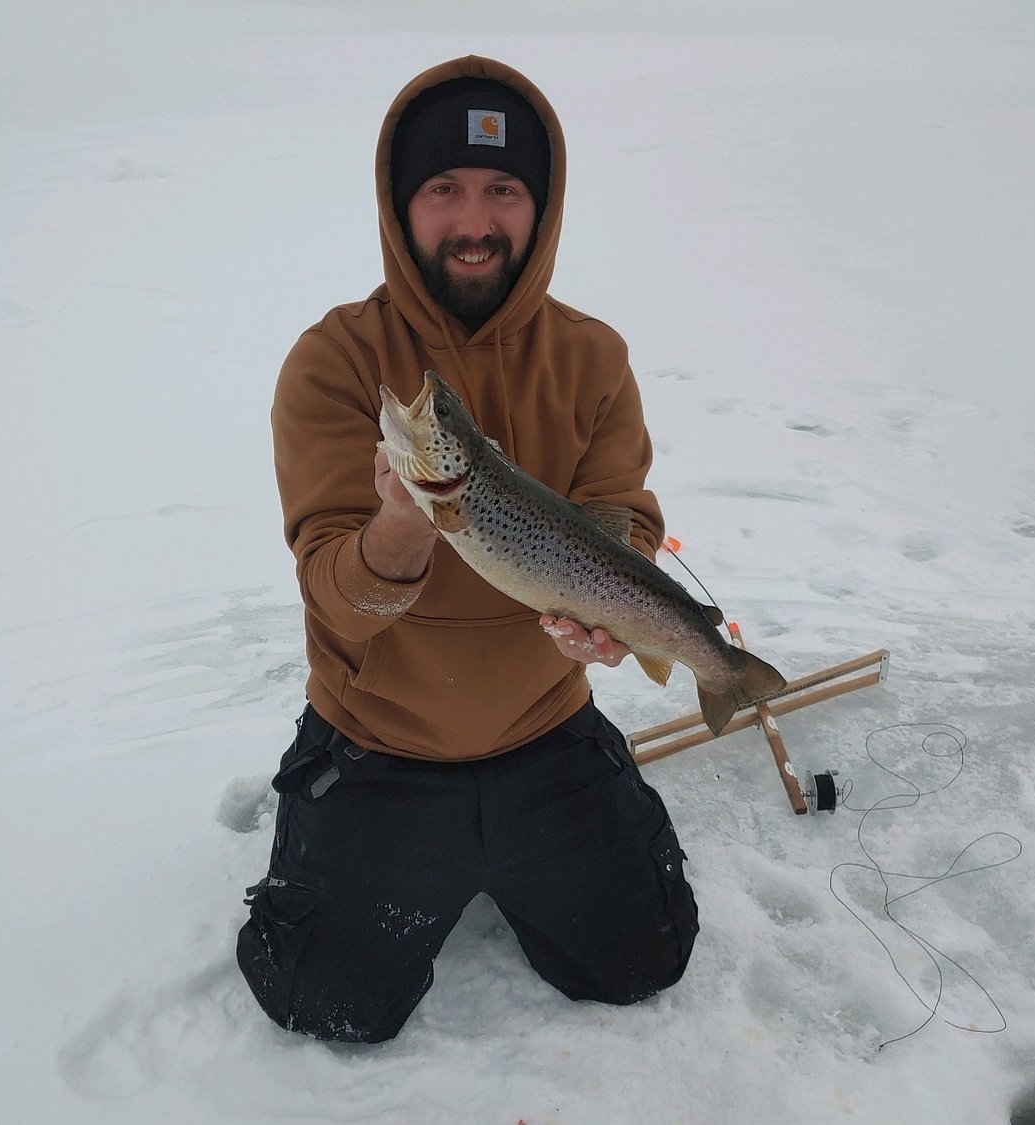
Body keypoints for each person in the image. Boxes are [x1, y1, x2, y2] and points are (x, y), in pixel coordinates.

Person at [237, 55, 699, 1043]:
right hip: (381, 744)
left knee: (644, 959)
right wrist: (404, 525)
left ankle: (543, 842)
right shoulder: (337, 361)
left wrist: (622, 616)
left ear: (542, 206)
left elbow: (624, 515)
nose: (474, 218)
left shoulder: (593, 356)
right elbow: (335, 590)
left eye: (503, 189)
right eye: (443, 189)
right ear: (400, 207)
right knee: (328, 1004)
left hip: (544, 728)